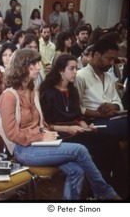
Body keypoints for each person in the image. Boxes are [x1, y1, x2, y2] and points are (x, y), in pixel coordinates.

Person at [0, 48, 121, 200]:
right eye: (34, 64)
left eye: (38, 63)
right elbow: (12, 134)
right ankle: (105, 193)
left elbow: (41, 123)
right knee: (80, 150)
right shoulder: (9, 96)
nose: (38, 67)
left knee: (77, 170)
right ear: (22, 67)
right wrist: (41, 136)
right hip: (23, 149)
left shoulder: (33, 91)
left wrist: (48, 132)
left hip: (39, 143)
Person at [39, 54, 128, 198]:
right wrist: (69, 128)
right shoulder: (48, 92)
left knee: (110, 141)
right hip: (61, 135)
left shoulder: (72, 90)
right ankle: (104, 191)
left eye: (76, 68)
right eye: (72, 69)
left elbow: (78, 117)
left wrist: (87, 127)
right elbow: (48, 125)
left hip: (77, 131)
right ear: (61, 71)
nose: (75, 72)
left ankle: (118, 188)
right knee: (101, 145)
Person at [75, 38, 127, 140]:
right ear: (97, 55)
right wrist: (99, 114)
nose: (112, 63)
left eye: (114, 60)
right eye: (109, 59)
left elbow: (118, 103)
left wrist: (113, 106)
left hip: (111, 119)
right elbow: (76, 108)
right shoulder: (80, 76)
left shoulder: (108, 77)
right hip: (92, 122)